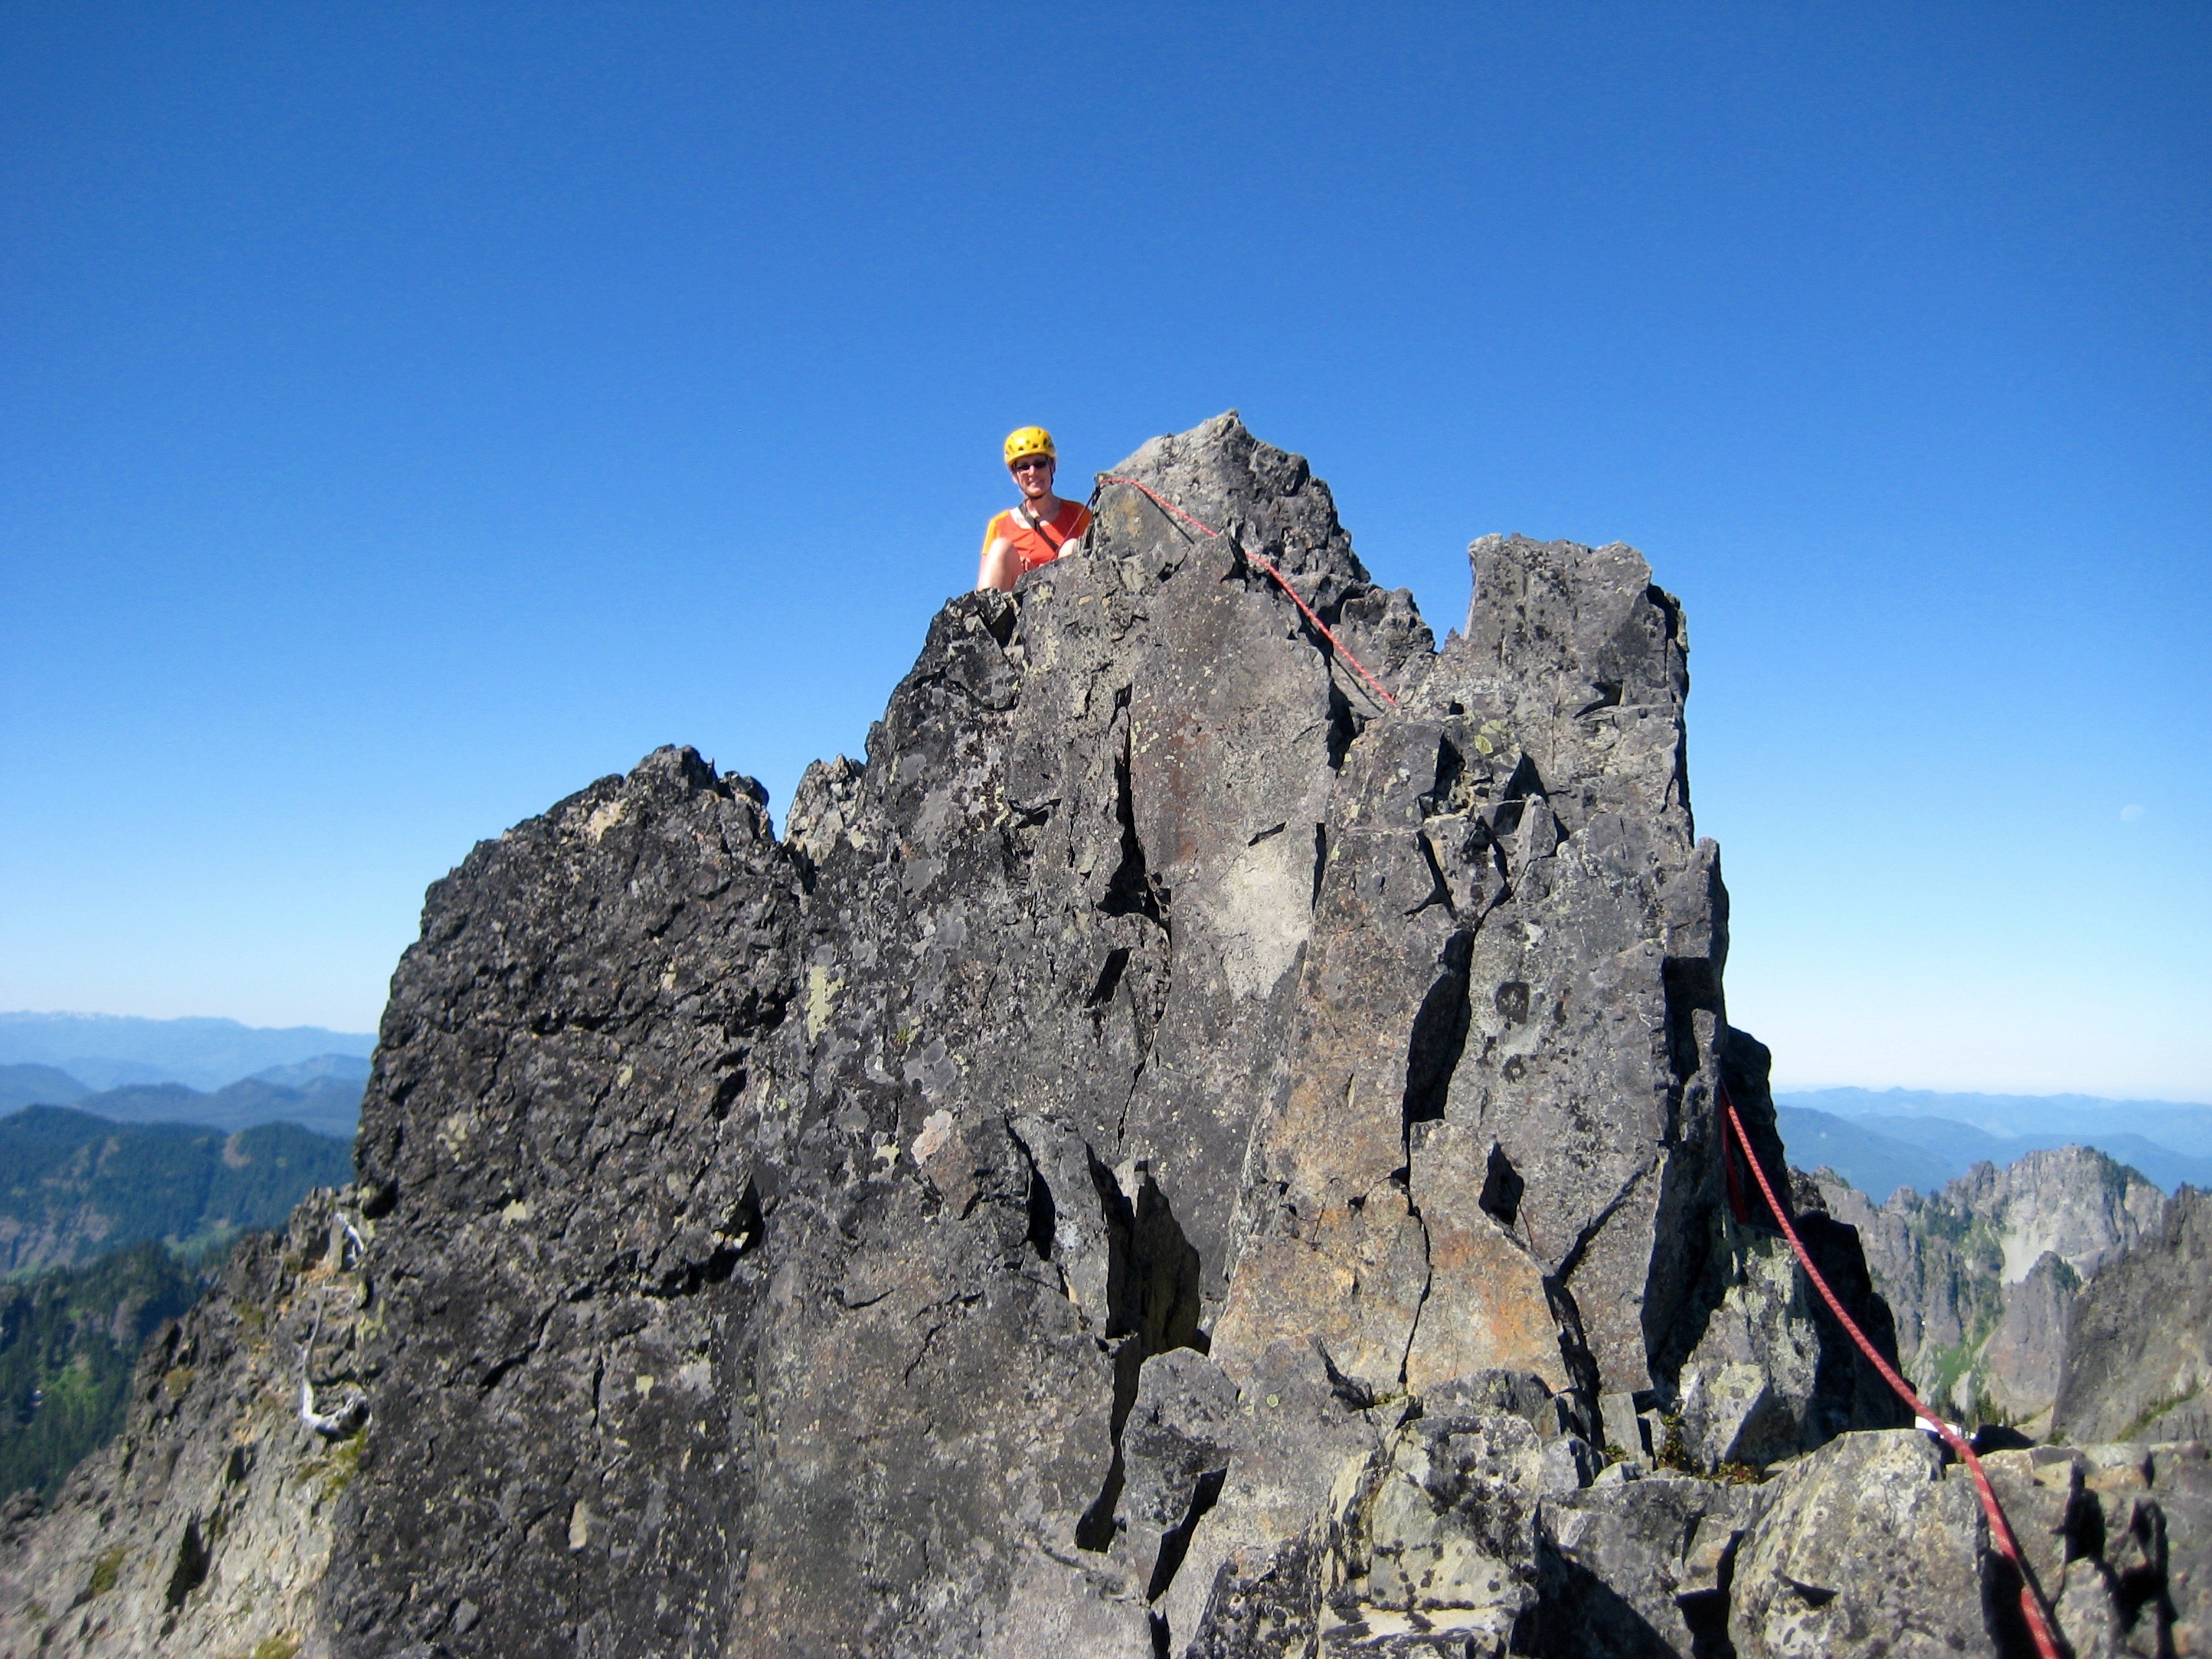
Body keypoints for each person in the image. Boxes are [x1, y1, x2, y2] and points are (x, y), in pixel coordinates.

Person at [977, 426, 1092, 592]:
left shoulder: (1079, 515)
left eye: (1039, 464)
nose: (1032, 472)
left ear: (1052, 467)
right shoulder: (1000, 525)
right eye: (1024, 467)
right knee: (1000, 548)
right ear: (1014, 475)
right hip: (1019, 602)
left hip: (1068, 597)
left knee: (1071, 547)